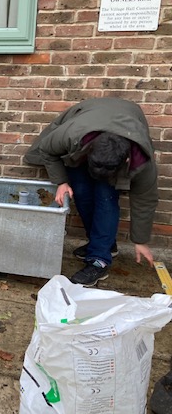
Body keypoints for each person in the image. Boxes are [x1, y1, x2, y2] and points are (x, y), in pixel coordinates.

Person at [25, 98, 158, 286]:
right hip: (85, 135)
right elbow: (47, 150)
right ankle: (105, 244)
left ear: (127, 160)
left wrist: (140, 240)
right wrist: (62, 182)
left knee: (106, 198)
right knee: (80, 191)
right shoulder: (71, 136)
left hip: (120, 132)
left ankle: (99, 260)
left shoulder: (142, 161)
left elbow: (145, 199)